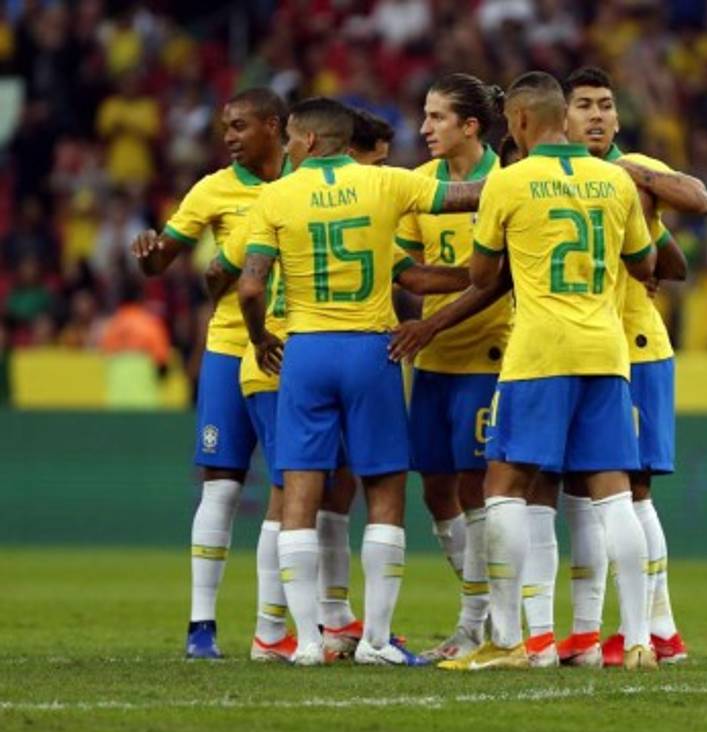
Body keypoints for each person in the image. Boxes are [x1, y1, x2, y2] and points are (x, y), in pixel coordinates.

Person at [209, 107, 470, 661]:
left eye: (288, 137)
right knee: (385, 493)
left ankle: (306, 640)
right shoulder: (386, 182)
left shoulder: (275, 197)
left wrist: (258, 341)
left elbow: (249, 287)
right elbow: (471, 197)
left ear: (306, 138)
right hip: (369, 349)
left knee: (299, 493)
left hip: (304, 351)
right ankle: (375, 639)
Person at [436, 71, 658, 672]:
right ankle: (637, 640)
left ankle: (510, 641)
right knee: (614, 492)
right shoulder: (613, 180)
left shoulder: (509, 181)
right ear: (566, 116)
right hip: (605, 350)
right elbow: (647, 262)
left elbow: (483, 277)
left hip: (537, 353)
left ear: (525, 122)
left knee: (503, 485)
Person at [542, 65, 707, 668]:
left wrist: (634, 174)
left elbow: (700, 200)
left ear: (617, 118)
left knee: (632, 490)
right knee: (586, 490)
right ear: (562, 118)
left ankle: (659, 629)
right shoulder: (555, 177)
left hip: (635, 348)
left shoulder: (632, 169)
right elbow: (674, 262)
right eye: (583, 104)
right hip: (583, 346)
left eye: (604, 105)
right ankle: (589, 631)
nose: (594, 115)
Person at [130, 88, 293, 659]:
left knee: (289, 490)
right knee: (221, 487)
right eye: (226, 126)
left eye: (241, 126)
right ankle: (201, 627)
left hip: (292, 347)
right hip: (229, 348)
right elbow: (164, 262)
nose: (229, 136)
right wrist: (150, 252)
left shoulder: (304, 183)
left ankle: (272, 629)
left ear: (274, 127)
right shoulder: (213, 187)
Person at [391, 74, 513, 663]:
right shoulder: (416, 187)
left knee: (475, 484)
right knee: (435, 486)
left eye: (437, 118)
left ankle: (476, 624)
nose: (423, 129)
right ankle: (481, 610)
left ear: (470, 126)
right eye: (424, 115)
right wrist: (479, 274)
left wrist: (474, 288)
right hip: (433, 356)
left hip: (491, 352)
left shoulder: (509, 183)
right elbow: (410, 275)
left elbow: (505, 281)